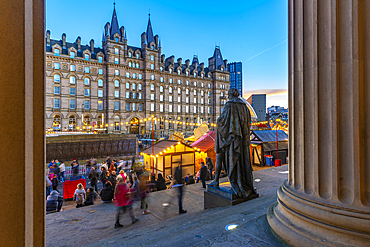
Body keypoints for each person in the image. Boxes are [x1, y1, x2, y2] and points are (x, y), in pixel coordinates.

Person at [209, 88, 257, 198]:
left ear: (230, 95)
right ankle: (240, 182)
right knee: (239, 161)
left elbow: (222, 121)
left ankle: (216, 181)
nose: (228, 97)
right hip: (241, 139)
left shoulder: (229, 105)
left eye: (228, 95)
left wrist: (218, 122)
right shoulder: (244, 106)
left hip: (229, 138)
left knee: (219, 157)